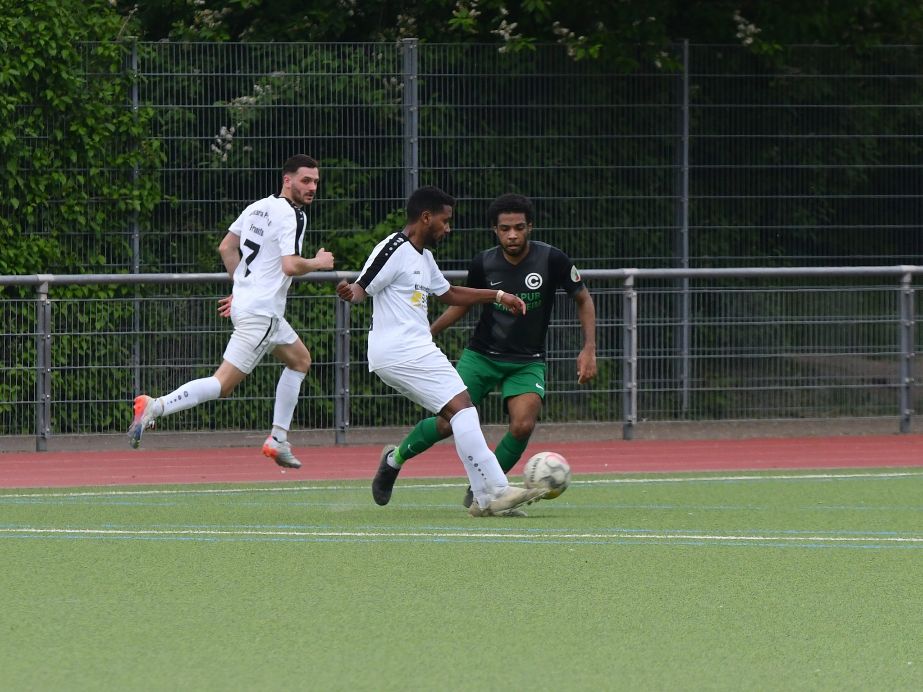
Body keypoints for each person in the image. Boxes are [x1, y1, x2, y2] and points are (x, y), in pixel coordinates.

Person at [335, 186, 548, 517]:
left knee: (460, 415)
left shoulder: (424, 257)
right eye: (444, 221)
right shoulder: (394, 247)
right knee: (463, 411)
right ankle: (497, 489)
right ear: (426, 217)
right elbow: (363, 287)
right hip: (400, 350)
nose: (448, 228)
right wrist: (351, 292)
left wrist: (497, 296)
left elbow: (449, 294)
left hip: (414, 349)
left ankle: (484, 499)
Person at [374, 192, 597, 508]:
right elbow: (461, 303)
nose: (512, 235)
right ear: (495, 230)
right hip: (481, 356)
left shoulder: (552, 259)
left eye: (519, 227)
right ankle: (394, 460)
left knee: (523, 424)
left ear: (530, 227)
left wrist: (589, 348)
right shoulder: (484, 262)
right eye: (505, 228)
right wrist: (428, 333)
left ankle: (486, 490)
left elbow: (583, 298)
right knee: (446, 423)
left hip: (527, 360)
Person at [128, 154, 335, 469]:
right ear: (287, 180)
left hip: (253, 308)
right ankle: (155, 406)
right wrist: (319, 262)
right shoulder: (293, 215)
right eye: (306, 180)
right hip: (262, 313)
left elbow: (226, 247)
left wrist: (241, 289)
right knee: (222, 385)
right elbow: (290, 265)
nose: (312, 187)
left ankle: (278, 439)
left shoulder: (257, 207)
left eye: (316, 182)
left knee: (300, 360)